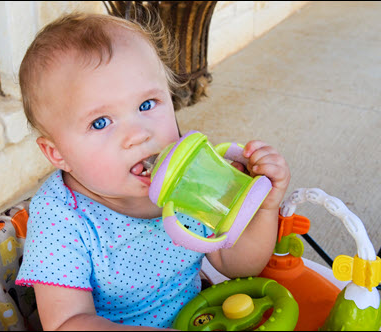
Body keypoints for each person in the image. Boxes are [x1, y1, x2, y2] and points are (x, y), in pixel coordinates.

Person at [15, 12, 291, 331]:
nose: (139, 134)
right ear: (58, 154)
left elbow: (237, 265)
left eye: (147, 104)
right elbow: (67, 323)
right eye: (100, 122)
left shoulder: (190, 178)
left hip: (199, 318)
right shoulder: (60, 217)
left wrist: (264, 208)